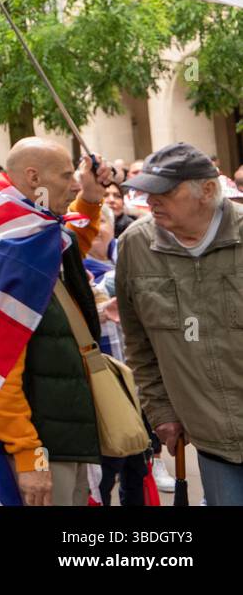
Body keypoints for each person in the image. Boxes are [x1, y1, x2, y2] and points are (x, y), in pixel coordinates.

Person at [0, 139, 108, 506]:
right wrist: (30, 456)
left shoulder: (35, 231)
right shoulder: (9, 249)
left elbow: (67, 253)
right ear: (34, 178)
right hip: (43, 443)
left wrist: (91, 200)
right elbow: (1, 371)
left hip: (68, 428)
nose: (75, 184)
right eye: (66, 176)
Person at [117, 142, 243, 506]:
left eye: (165, 192)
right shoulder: (136, 246)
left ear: (207, 190)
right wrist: (161, 410)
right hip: (211, 442)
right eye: (147, 191)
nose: (151, 200)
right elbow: (138, 341)